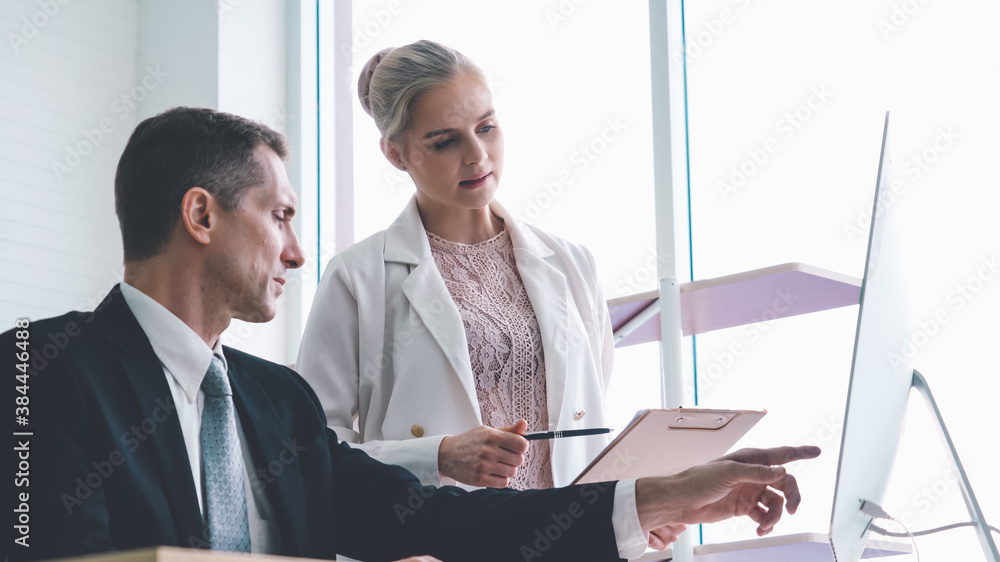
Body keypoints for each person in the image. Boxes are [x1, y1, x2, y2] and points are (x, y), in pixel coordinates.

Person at [3, 106, 819, 562]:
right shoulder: (35, 371)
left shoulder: (275, 403)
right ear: (201, 214)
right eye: (281, 215)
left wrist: (662, 498)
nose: (295, 250)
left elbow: (434, 519)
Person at [296, 40, 614, 491]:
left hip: (566, 536)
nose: (476, 156)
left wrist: (633, 508)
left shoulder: (572, 263)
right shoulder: (357, 277)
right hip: (439, 540)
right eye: (445, 141)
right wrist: (438, 456)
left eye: (485, 127)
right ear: (395, 154)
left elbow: (590, 422)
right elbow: (311, 445)